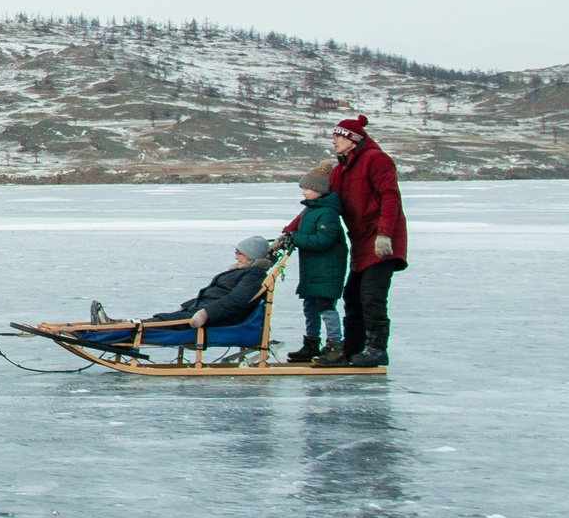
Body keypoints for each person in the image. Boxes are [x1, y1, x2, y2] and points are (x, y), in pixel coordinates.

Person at [323, 114, 406, 367]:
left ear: (353, 139)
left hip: (382, 241)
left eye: (338, 136)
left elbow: (390, 197)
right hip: (360, 243)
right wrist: (291, 230)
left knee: (372, 296)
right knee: (352, 296)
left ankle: (377, 349)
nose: (334, 140)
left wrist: (384, 234)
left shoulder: (376, 160)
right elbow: (325, 204)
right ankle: (353, 349)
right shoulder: (340, 170)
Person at [91, 235, 276, 333]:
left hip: (218, 317)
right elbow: (216, 294)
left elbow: (235, 301)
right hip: (204, 310)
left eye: (240, 253)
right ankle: (116, 324)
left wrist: (205, 313)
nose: (235, 256)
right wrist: (188, 305)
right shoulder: (244, 271)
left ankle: (115, 327)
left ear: (252, 256)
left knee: (164, 324)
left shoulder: (253, 276)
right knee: (164, 319)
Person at [280, 164, 347, 363]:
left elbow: (323, 241)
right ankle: (311, 343)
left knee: (326, 306)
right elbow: (299, 228)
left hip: (327, 269)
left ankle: (335, 344)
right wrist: (289, 236)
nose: (304, 192)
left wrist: (296, 239)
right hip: (312, 269)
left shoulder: (328, 213)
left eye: (307, 188)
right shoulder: (311, 210)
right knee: (310, 306)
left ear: (319, 190)